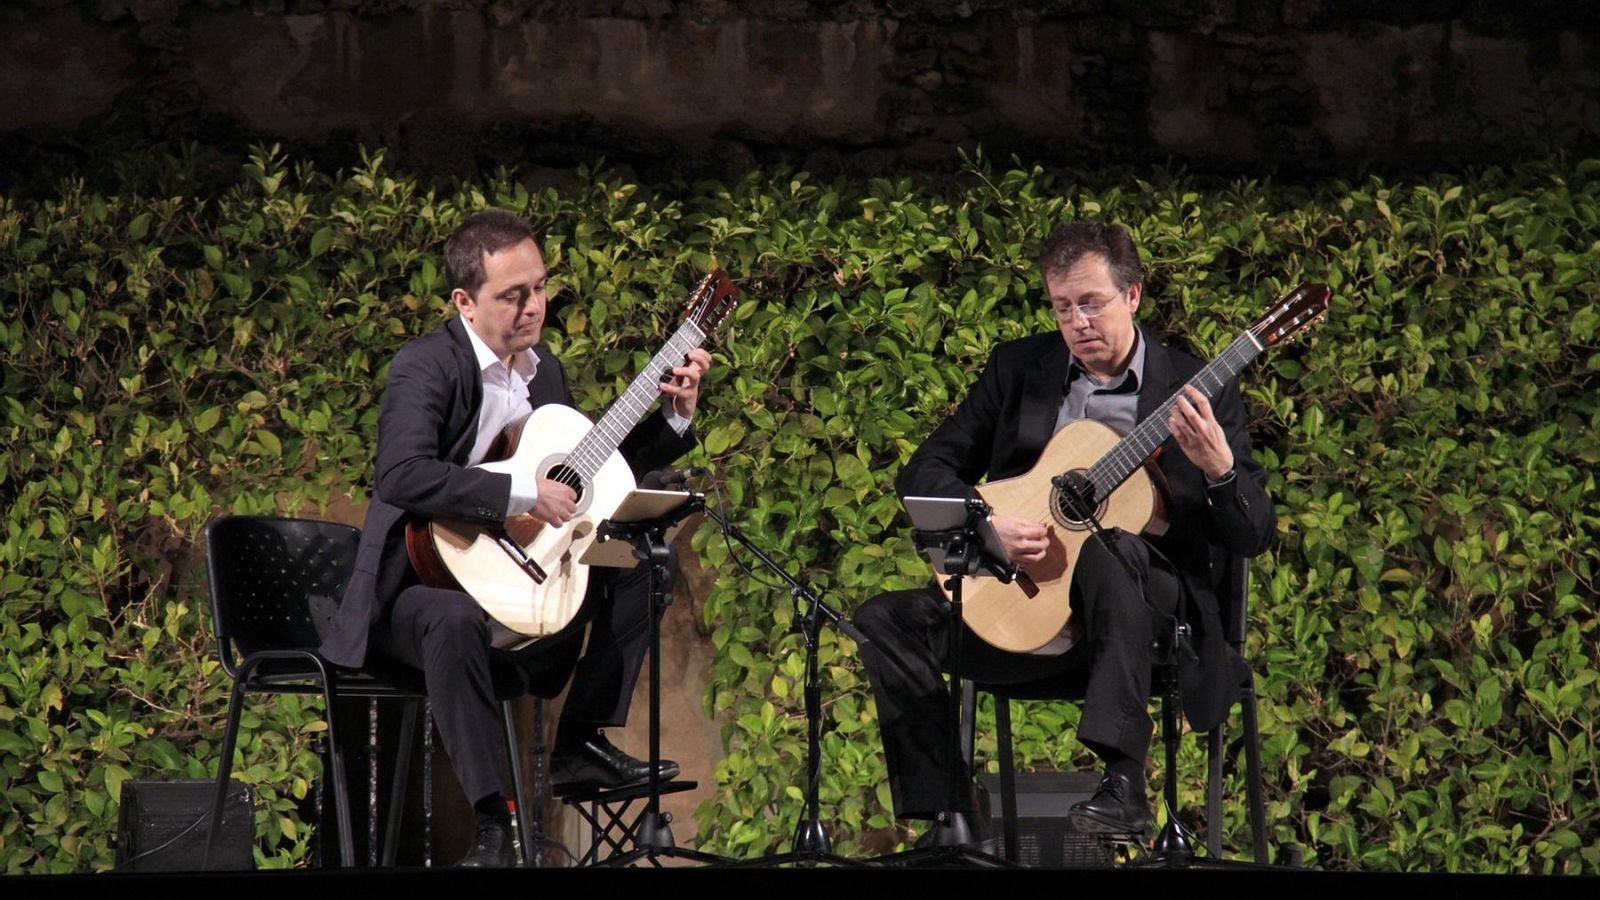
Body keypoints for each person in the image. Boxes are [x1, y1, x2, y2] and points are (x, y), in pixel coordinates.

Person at [854, 220, 1273, 838]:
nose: (1077, 322)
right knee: (883, 621)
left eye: (1092, 303)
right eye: (1062, 306)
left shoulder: (1195, 387)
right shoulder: (1019, 370)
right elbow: (928, 470)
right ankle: (950, 818)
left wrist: (1220, 471)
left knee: (1111, 546)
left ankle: (1124, 782)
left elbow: (1253, 534)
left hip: (1150, 623)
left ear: (1132, 297)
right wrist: (987, 520)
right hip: (1032, 616)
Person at [319, 209, 712, 866]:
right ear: (464, 302)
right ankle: (492, 823)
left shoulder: (544, 374)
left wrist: (672, 422)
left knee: (646, 563)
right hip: (416, 592)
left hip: (515, 594)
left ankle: (579, 742)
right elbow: (402, 474)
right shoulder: (426, 367)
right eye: (513, 294)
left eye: (540, 287)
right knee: (449, 618)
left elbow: (589, 483)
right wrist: (522, 495)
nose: (534, 307)